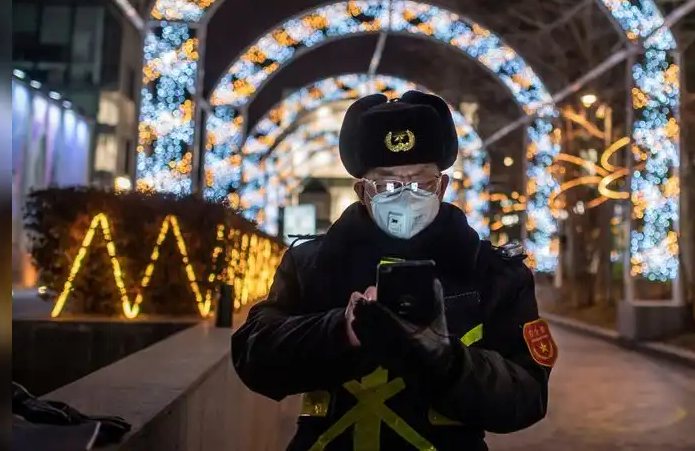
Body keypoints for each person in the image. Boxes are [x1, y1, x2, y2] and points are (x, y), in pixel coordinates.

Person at [232, 91, 555, 451]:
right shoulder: (312, 265)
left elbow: (526, 396)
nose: (406, 195)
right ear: (362, 191)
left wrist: (444, 360)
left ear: (442, 186)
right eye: (387, 184)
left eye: (420, 182)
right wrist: (341, 330)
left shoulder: (492, 273)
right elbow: (254, 357)